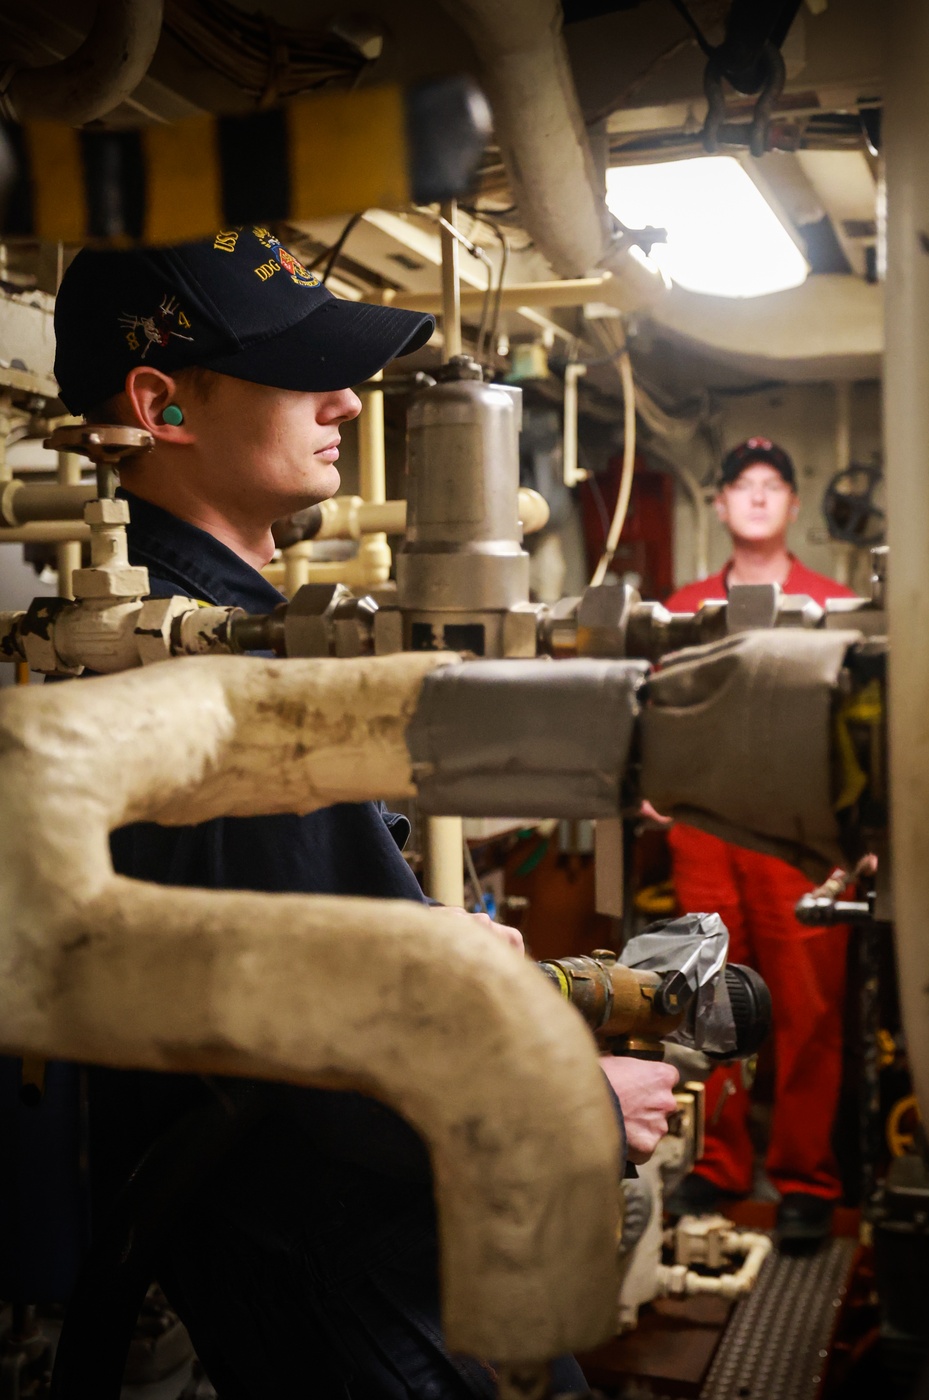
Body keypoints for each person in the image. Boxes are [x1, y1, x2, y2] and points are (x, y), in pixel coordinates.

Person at [52, 226, 679, 1398]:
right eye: (301, 372)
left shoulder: (218, 626)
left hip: (304, 1243)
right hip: (345, 1267)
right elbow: (322, 1043)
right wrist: (573, 1099)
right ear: (162, 403)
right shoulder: (200, 673)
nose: (346, 398)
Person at [666, 438, 856, 1253]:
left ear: (791, 503)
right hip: (704, 830)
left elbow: (861, 729)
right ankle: (718, 1160)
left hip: (800, 836)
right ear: (718, 503)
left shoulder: (837, 604)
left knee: (810, 1009)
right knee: (706, 998)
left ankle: (807, 1178)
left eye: (770, 484)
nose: (754, 497)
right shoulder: (677, 608)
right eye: (740, 484)